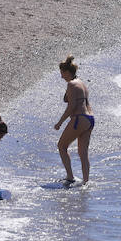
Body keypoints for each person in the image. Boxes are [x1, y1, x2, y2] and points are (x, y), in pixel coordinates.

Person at [54, 55, 94, 184]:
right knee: (83, 153)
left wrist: (60, 122)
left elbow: (71, 107)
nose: (61, 76)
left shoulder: (71, 84)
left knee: (62, 146)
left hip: (79, 118)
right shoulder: (81, 83)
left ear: (67, 72)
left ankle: (70, 177)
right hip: (90, 119)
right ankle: (86, 182)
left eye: (62, 73)